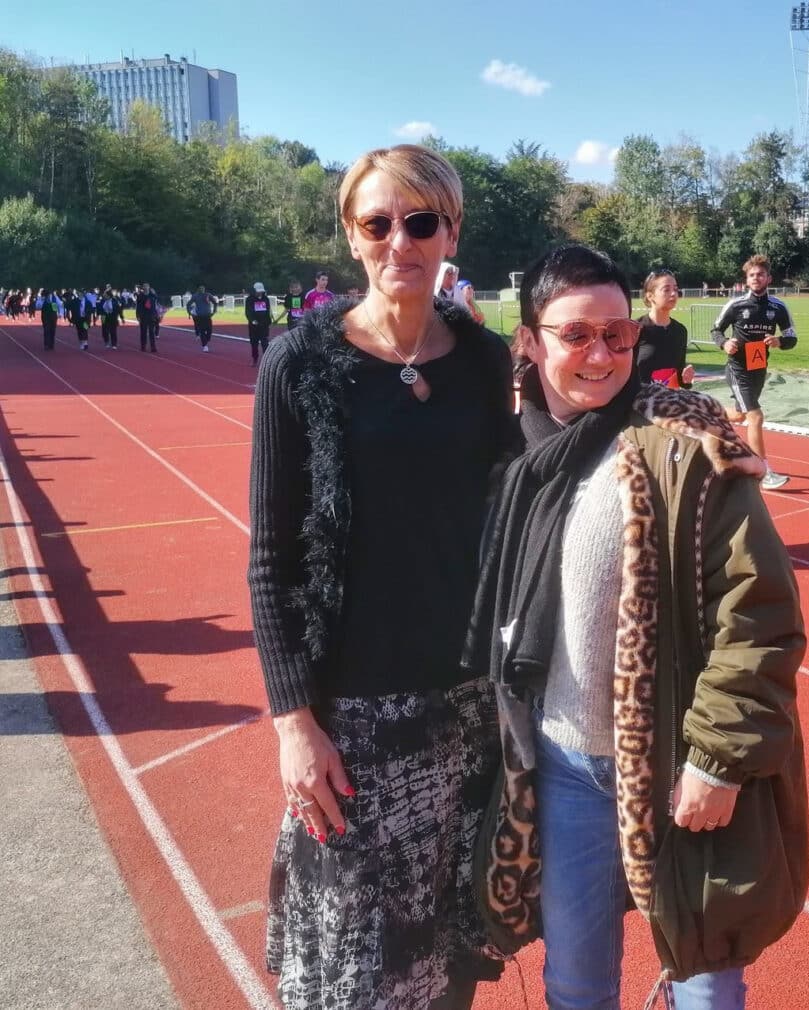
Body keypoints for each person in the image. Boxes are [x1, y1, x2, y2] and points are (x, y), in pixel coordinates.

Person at [465, 242, 809, 1010]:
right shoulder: (513, 461)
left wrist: (718, 761)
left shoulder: (683, 446)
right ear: (529, 342)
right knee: (575, 984)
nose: (600, 355)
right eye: (575, 335)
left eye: (617, 335)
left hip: (678, 761)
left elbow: (759, 614)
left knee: (705, 981)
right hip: (563, 769)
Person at [248, 143, 517, 1010]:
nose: (399, 241)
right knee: (359, 974)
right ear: (351, 234)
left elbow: (566, 439)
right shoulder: (299, 363)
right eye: (377, 223)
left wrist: (690, 421)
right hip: (356, 719)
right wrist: (295, 724)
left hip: (468, 704)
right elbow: (271, 560)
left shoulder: (483, 362)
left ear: (451, 234)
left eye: (421, 222)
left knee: (453, 953)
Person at [711, 255, 797, 490]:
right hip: (737, 369)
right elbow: (716, 330)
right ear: (746, 280)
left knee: (741, 416)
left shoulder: (778, 307)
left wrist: (779, 341)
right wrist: (724, 343)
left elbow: (792, 337)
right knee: (756, 417)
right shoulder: (736, 305)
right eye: (752, 275)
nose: (756, 278)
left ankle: (708, 415)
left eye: (760, 274)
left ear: (769, 278)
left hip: (758, 368)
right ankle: (763, 473)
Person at [636, 268, 696, 388]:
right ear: (650, 296)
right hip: (640, 398)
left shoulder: (680, 331)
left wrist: (686, 379)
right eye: (666, 289)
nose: (673, 294)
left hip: (670, 398)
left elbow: (680, 378)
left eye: (675, 289)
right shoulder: (635, 329)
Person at [244, 282, 273, 366]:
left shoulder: (266, 299)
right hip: (254, 325)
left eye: (261, 291)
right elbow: (248, 311)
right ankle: (255, 358)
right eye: (258, 291)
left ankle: (267, 360)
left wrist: (268, 321)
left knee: (265, 343)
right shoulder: (249, 299)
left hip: (264, 325)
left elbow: (267, 311)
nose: (259, 293)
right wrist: (252, 320)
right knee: (254, 343)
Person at [187, 284, 217, 352]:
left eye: (203, 288)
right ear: (198, 289)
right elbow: (188, 304)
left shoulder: (208, 295)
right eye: (200, 288)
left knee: (209, 330)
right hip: (199, 316)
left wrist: (214, 311)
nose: (202, 289)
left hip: (208, 316)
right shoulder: (195, 296)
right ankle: (205, 346)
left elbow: (215, 302)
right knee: (202, 331)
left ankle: (207, 339)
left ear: (204, 289)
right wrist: (189, 312)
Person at [135, 283, 160, 352]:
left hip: (151, 315)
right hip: (143, 316)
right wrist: (138, 315)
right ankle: (143, 346)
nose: (145, 287)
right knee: (143, 332)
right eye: (144, 286)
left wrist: (156, 315)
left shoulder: (152, 295)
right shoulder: (140, 296)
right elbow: (138, 307)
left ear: (149, 287)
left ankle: (153, 347)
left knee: (151, 332)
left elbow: (156, 304)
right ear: (143, 288)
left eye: (147, 286)